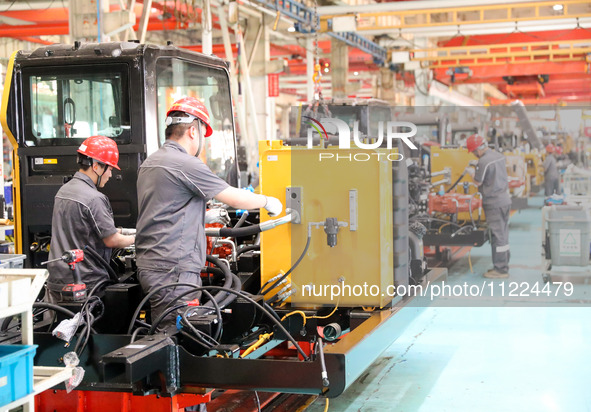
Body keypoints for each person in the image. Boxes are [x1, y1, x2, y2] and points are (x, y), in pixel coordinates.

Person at [135, 97, 283, 331]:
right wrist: (268, 201)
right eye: (203, 133)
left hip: (151, 263)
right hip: (175, 268)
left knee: (165, 325)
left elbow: (167, 209)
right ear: (194, 131)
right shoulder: (185, 163)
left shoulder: (151, 163)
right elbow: (233, 197)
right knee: (178, 334)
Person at [47, 136, 136, 301]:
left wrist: (123, 231)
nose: (110, 174)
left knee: (62, 325)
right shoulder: (94, 198)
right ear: (96, 166)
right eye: (109, 169)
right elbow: (112, 240)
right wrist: (139, 238)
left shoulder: (64, 191)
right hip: (86, 284)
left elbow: (82, 229)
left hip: (57, 280)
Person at [464, 134, 511, 279]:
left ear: (477, 150)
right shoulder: (499, 155)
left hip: (494, 203)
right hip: (504, 199)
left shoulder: (483, 162)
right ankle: (503, 265)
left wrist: (472, 172)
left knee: (498, 236)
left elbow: (478, 182)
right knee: (503, 234)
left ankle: (501, 269)